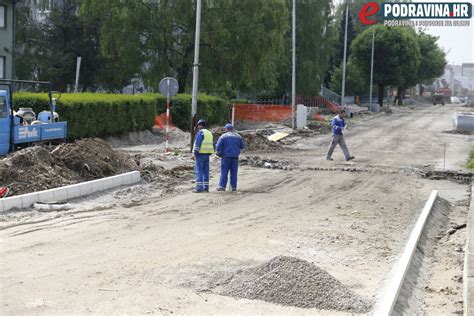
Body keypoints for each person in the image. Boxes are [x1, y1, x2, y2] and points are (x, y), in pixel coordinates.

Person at [215, 123, 245, 192]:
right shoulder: (238, 136)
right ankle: (233, 187)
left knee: (224, 172)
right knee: (234, 173)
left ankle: (222, 187)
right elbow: (242, 146)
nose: (224, 130)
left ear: (227, 129)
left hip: (226, 157)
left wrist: (218, 153)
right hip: (235, 157)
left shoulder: (223, 136)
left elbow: (218, 146)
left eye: (225, 129)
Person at [192, 119, 214, 193]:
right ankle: (206, 188)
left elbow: (197, 145)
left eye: (198, 125)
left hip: (200, 154)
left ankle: (199, 188)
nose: (198, 127)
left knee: (199, 171)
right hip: (207, 154)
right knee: (206, 171)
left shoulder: (200, 133)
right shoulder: (209, 133)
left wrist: (195, 154)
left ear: (200, 125)